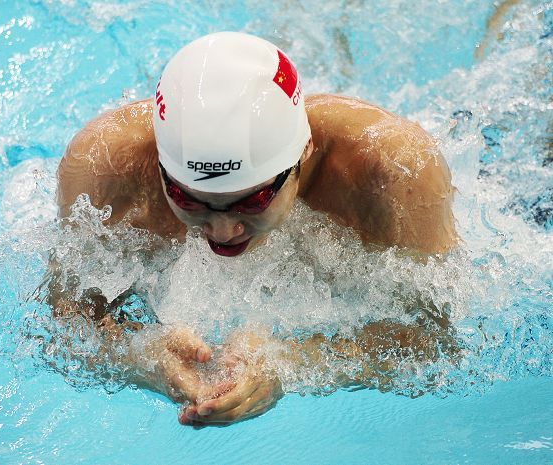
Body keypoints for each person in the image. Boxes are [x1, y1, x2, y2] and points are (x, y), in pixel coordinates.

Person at [51, 32, 457, 426]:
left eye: (254, 201)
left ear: (305, 150)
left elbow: (439, 342)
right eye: (189, 200)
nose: (224, 230)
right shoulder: (104, 165)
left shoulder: (392, 170)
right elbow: (61, 321)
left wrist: (292, 362)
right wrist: (142, 356)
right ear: (159, 166)